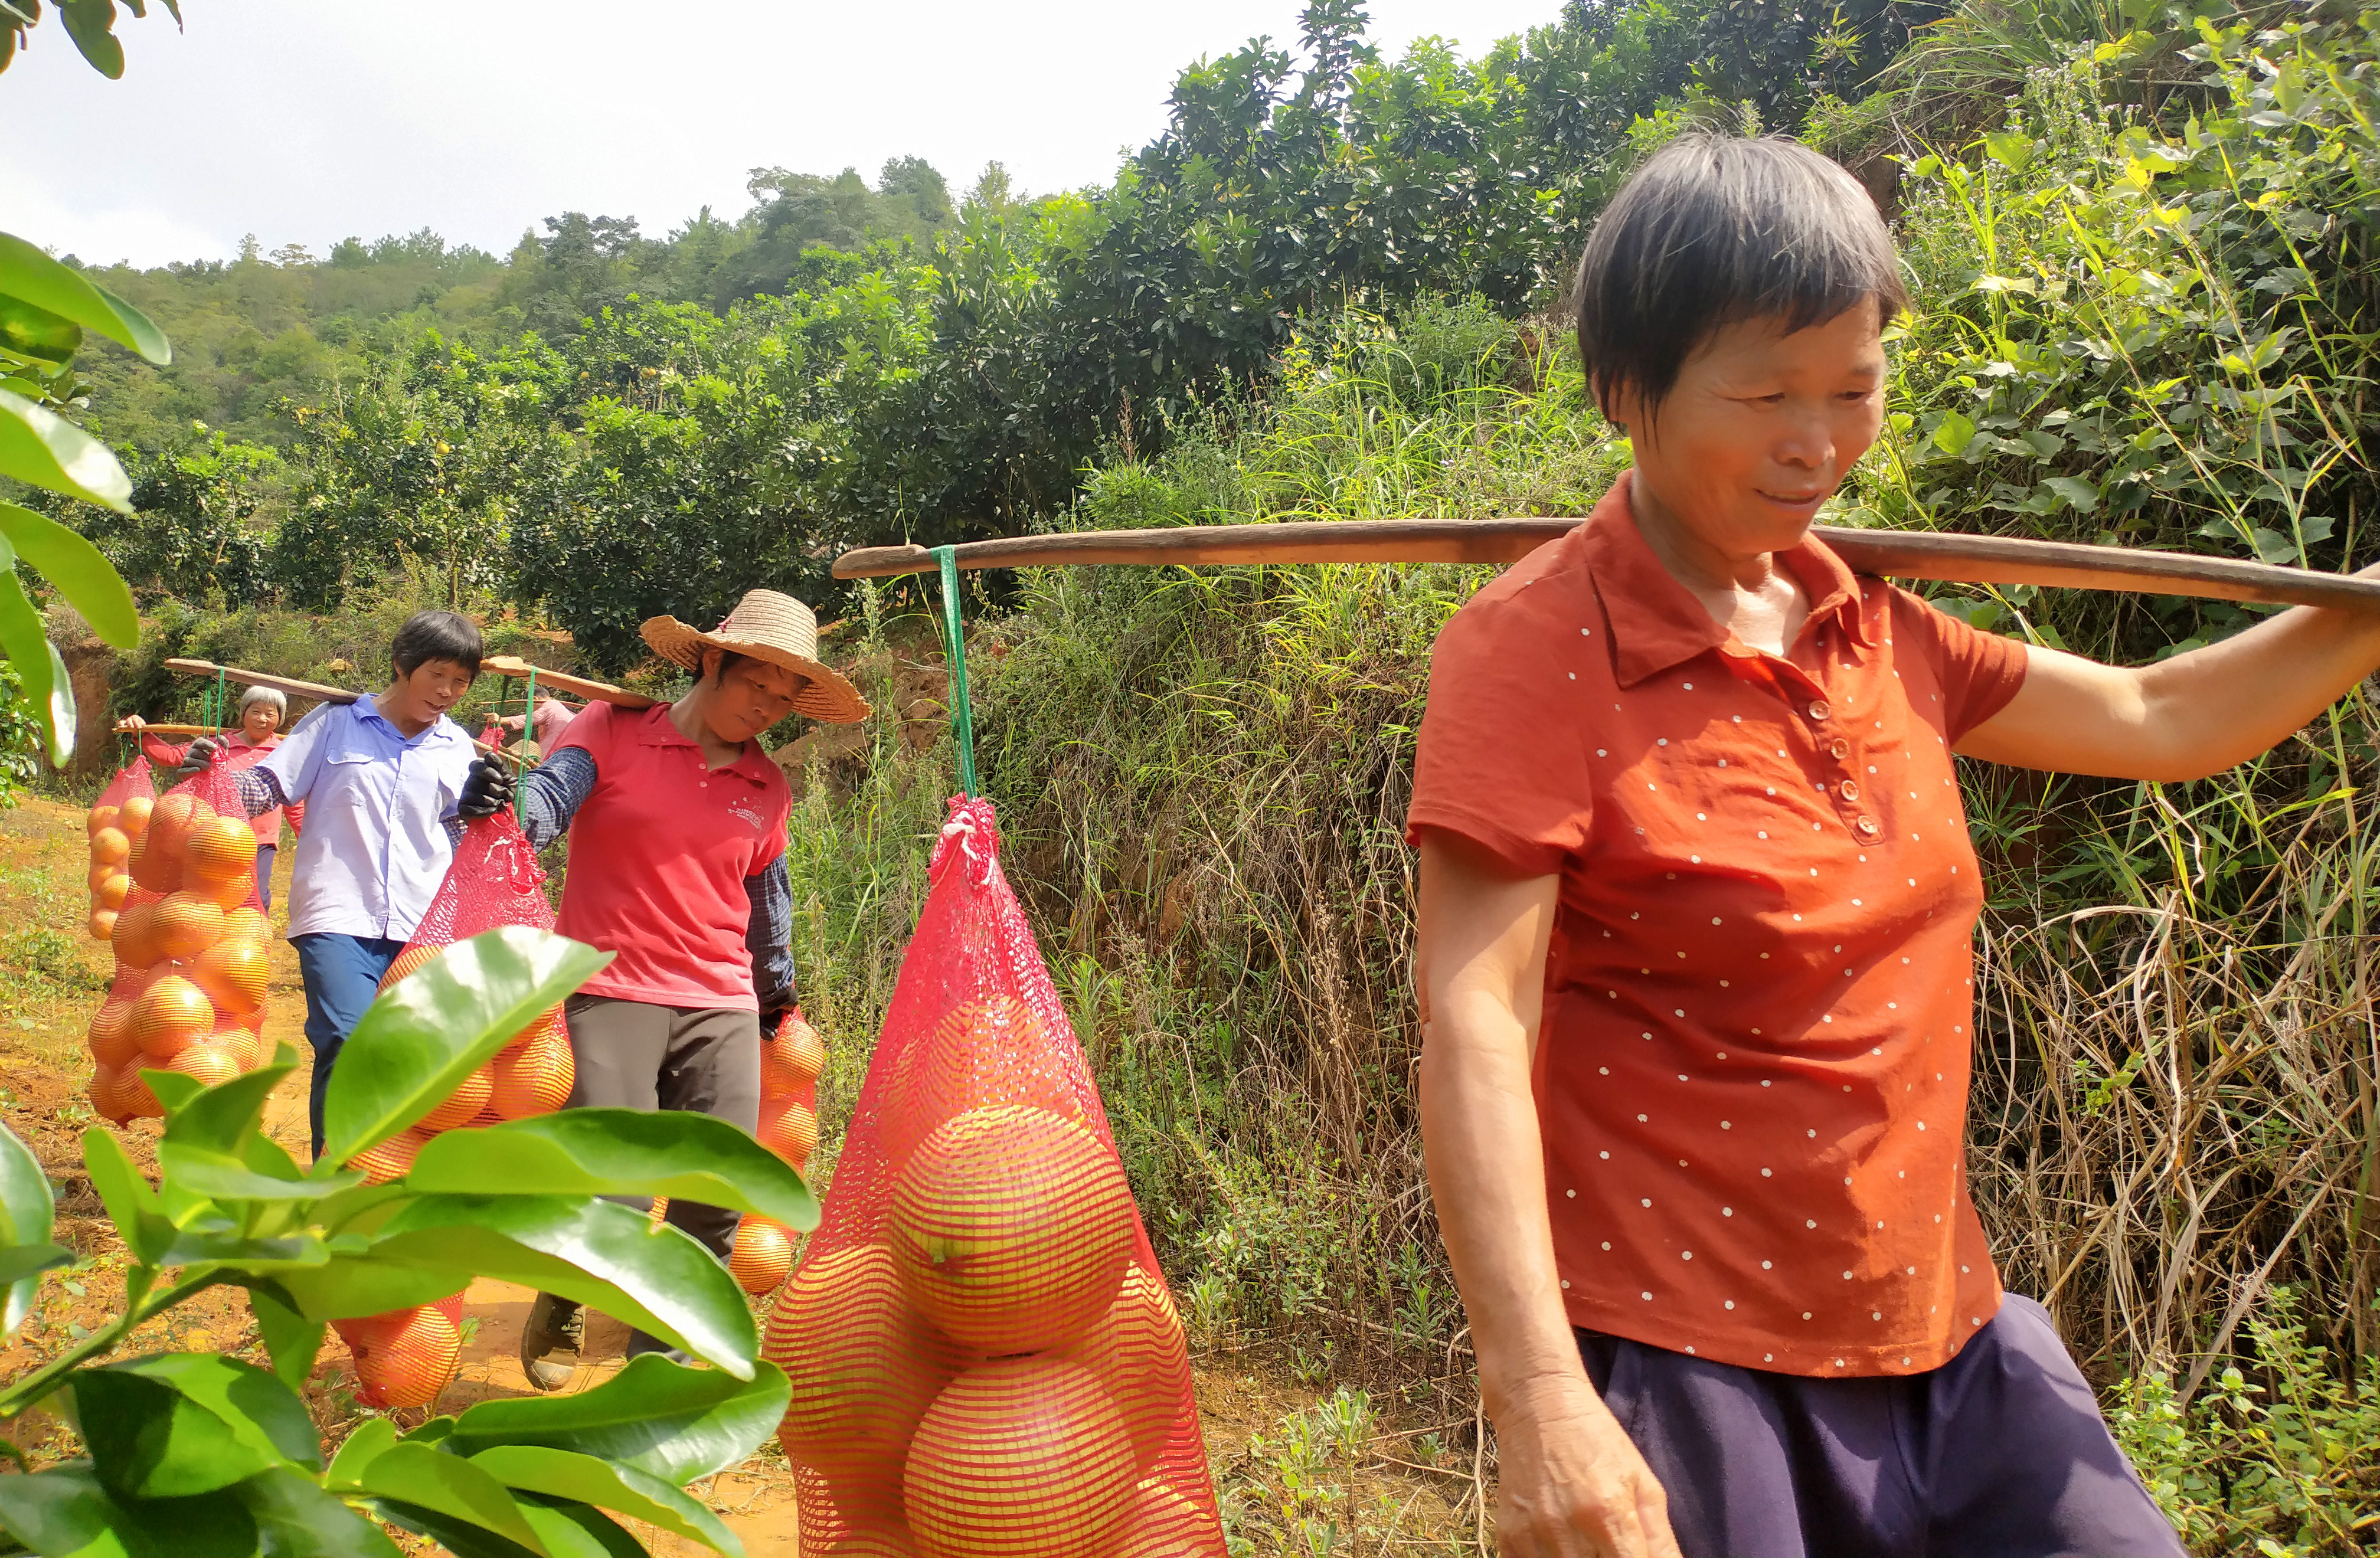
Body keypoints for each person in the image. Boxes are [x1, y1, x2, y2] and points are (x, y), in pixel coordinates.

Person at [1405, 134, 2380, 1558]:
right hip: (1685, 1360)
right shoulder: (1534, 653)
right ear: (1630, 391)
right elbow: (1473, 1022)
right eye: (1766, 395)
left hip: (1948, 1337)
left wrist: (2361, 606)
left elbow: (2164, 714)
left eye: (1854, 390)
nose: (1818, 443)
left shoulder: (1876, 624)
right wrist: (1542, 1397)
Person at [456, 589, 867, 1386]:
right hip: (611, 986)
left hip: (720, 997)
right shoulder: (610, 731)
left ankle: (663, 1367)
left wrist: (777, 995)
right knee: (615, 1182)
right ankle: (566, 1296)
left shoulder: (767, 786)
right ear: (714, 660)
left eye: (785, 702)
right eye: (758, 686)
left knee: (714, 1193)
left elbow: (763, 901)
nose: (767, 710)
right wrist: (507, 808)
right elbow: (550, 798)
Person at [189, 611, 483, 1158]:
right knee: (348, 1042)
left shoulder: (457, 748)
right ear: (402, 665)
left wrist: (486, 807)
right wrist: (214, 777)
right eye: (437, 674)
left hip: (425, 927)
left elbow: (465, 833)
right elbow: (266, 787)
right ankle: (336, 1177)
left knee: (412, 1056)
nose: (447, 692)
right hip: (337, 913)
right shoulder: (334, 722)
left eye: (461, 682)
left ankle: (386, 1179)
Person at [121, 686, 305, 910]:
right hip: (212, 835)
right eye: (255, 711)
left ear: (280, 718)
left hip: (260, 840)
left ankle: (252, 942)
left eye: (270, 713)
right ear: (244, 713)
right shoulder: (218, 745)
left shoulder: (284, 753)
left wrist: (307, 839)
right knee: (207, 896)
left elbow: (294, 802)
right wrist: (142, 732)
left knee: (255, 898)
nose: (262, 719)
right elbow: (171, 756)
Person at [495, 692, 582, 761]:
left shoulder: (551, 705)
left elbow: (530, 718)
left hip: (552, 754)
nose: (531, 710)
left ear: (534, 699)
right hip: (569, 754)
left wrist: (501, 720)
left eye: (529, 706)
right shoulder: (567, 710)